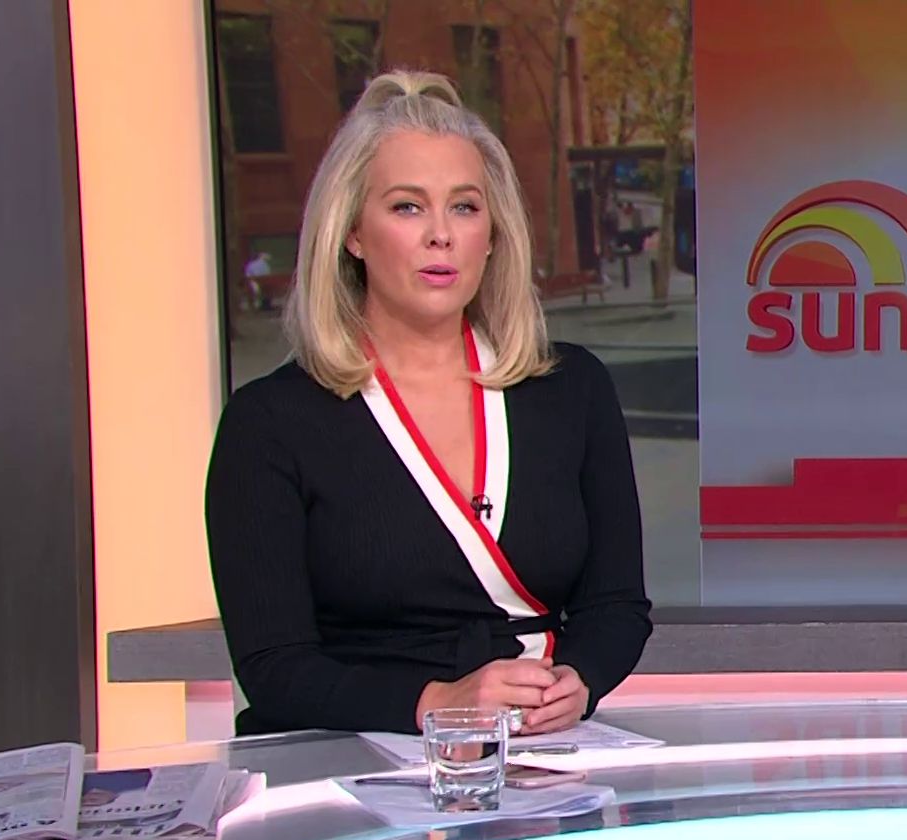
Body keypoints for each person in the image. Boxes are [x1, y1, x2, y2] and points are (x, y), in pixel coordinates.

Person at [205, 71, 653, 736]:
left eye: (465, 207)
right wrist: (437, 703)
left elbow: (617, 606)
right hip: (352, 752)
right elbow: (274, 666)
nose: (441, 234)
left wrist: (580, 680)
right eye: (408, 207)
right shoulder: (270, 423)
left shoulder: (571, 388)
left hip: (538, 751)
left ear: (492, 234)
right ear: (352, 232)